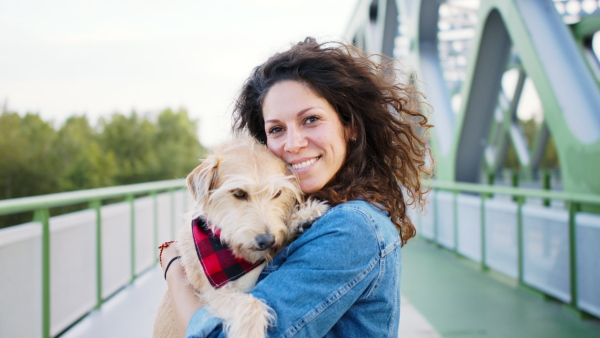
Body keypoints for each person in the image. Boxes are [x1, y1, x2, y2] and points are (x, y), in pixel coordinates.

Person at [160, 37, 432, 337]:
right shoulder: (308, 213)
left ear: (350, 127)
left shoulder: (352, 228)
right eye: (276, 129)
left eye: (311, 120)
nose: (293, 144)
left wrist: (174, 269)